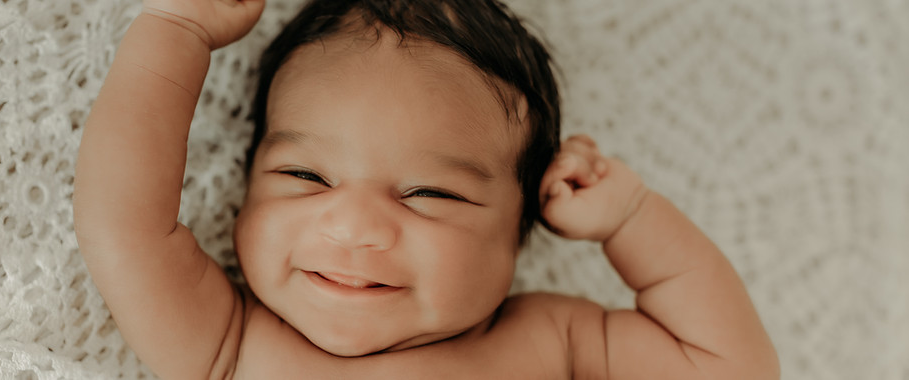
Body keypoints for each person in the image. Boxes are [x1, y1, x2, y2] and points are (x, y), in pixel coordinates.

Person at [72, 0, 779, 378]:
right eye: (304, 175)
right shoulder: (230, 348)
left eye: (428, 194)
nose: (353, 226)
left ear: (523, 222)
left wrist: (630, 217)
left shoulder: (551, 340)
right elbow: (125, 224)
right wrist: (173, 30)